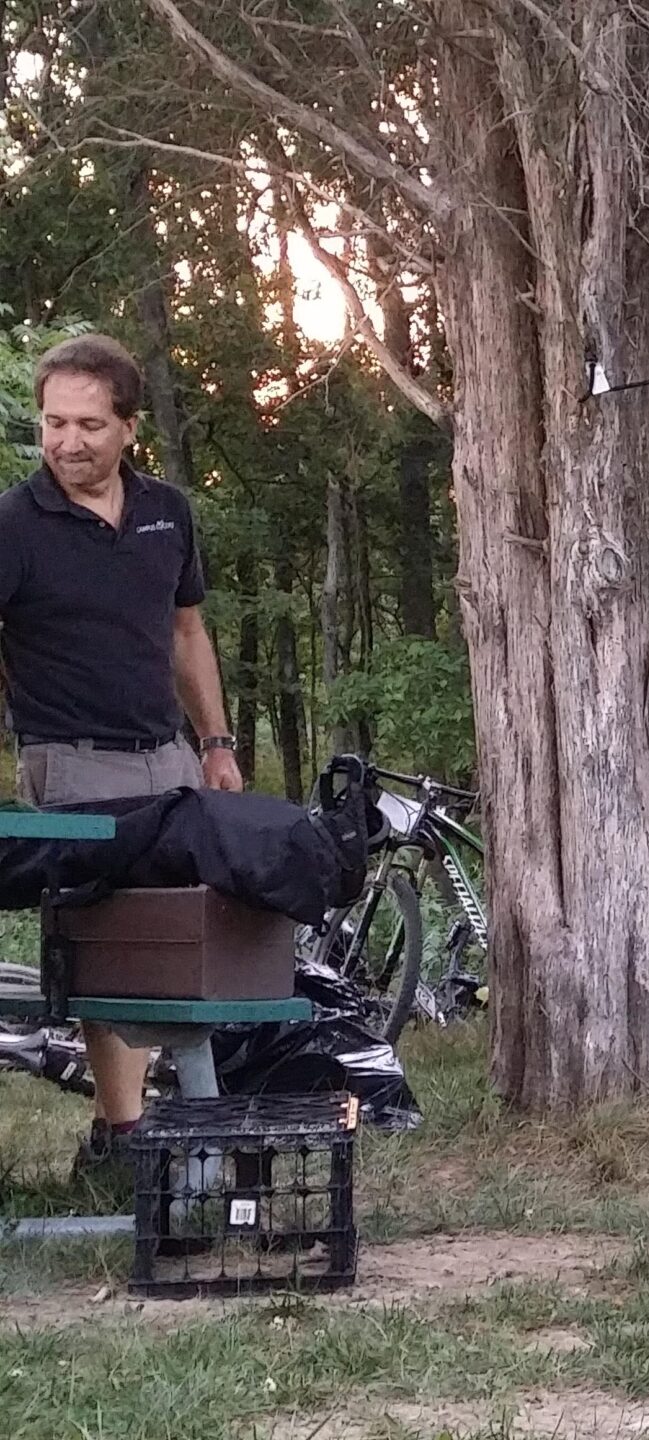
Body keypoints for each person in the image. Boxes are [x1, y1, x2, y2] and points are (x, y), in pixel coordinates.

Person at [0, 333, 243, 1194]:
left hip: (169, 760)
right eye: (54, 423)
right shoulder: (14, 523)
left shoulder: (167, 512)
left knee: (181, 942)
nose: (68, 442)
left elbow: (186, 633)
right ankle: (129, 1135)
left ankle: (136, 1139)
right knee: (104, 949)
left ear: (128, 428)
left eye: (89, 424)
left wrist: (215, 746)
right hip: (72, 766)